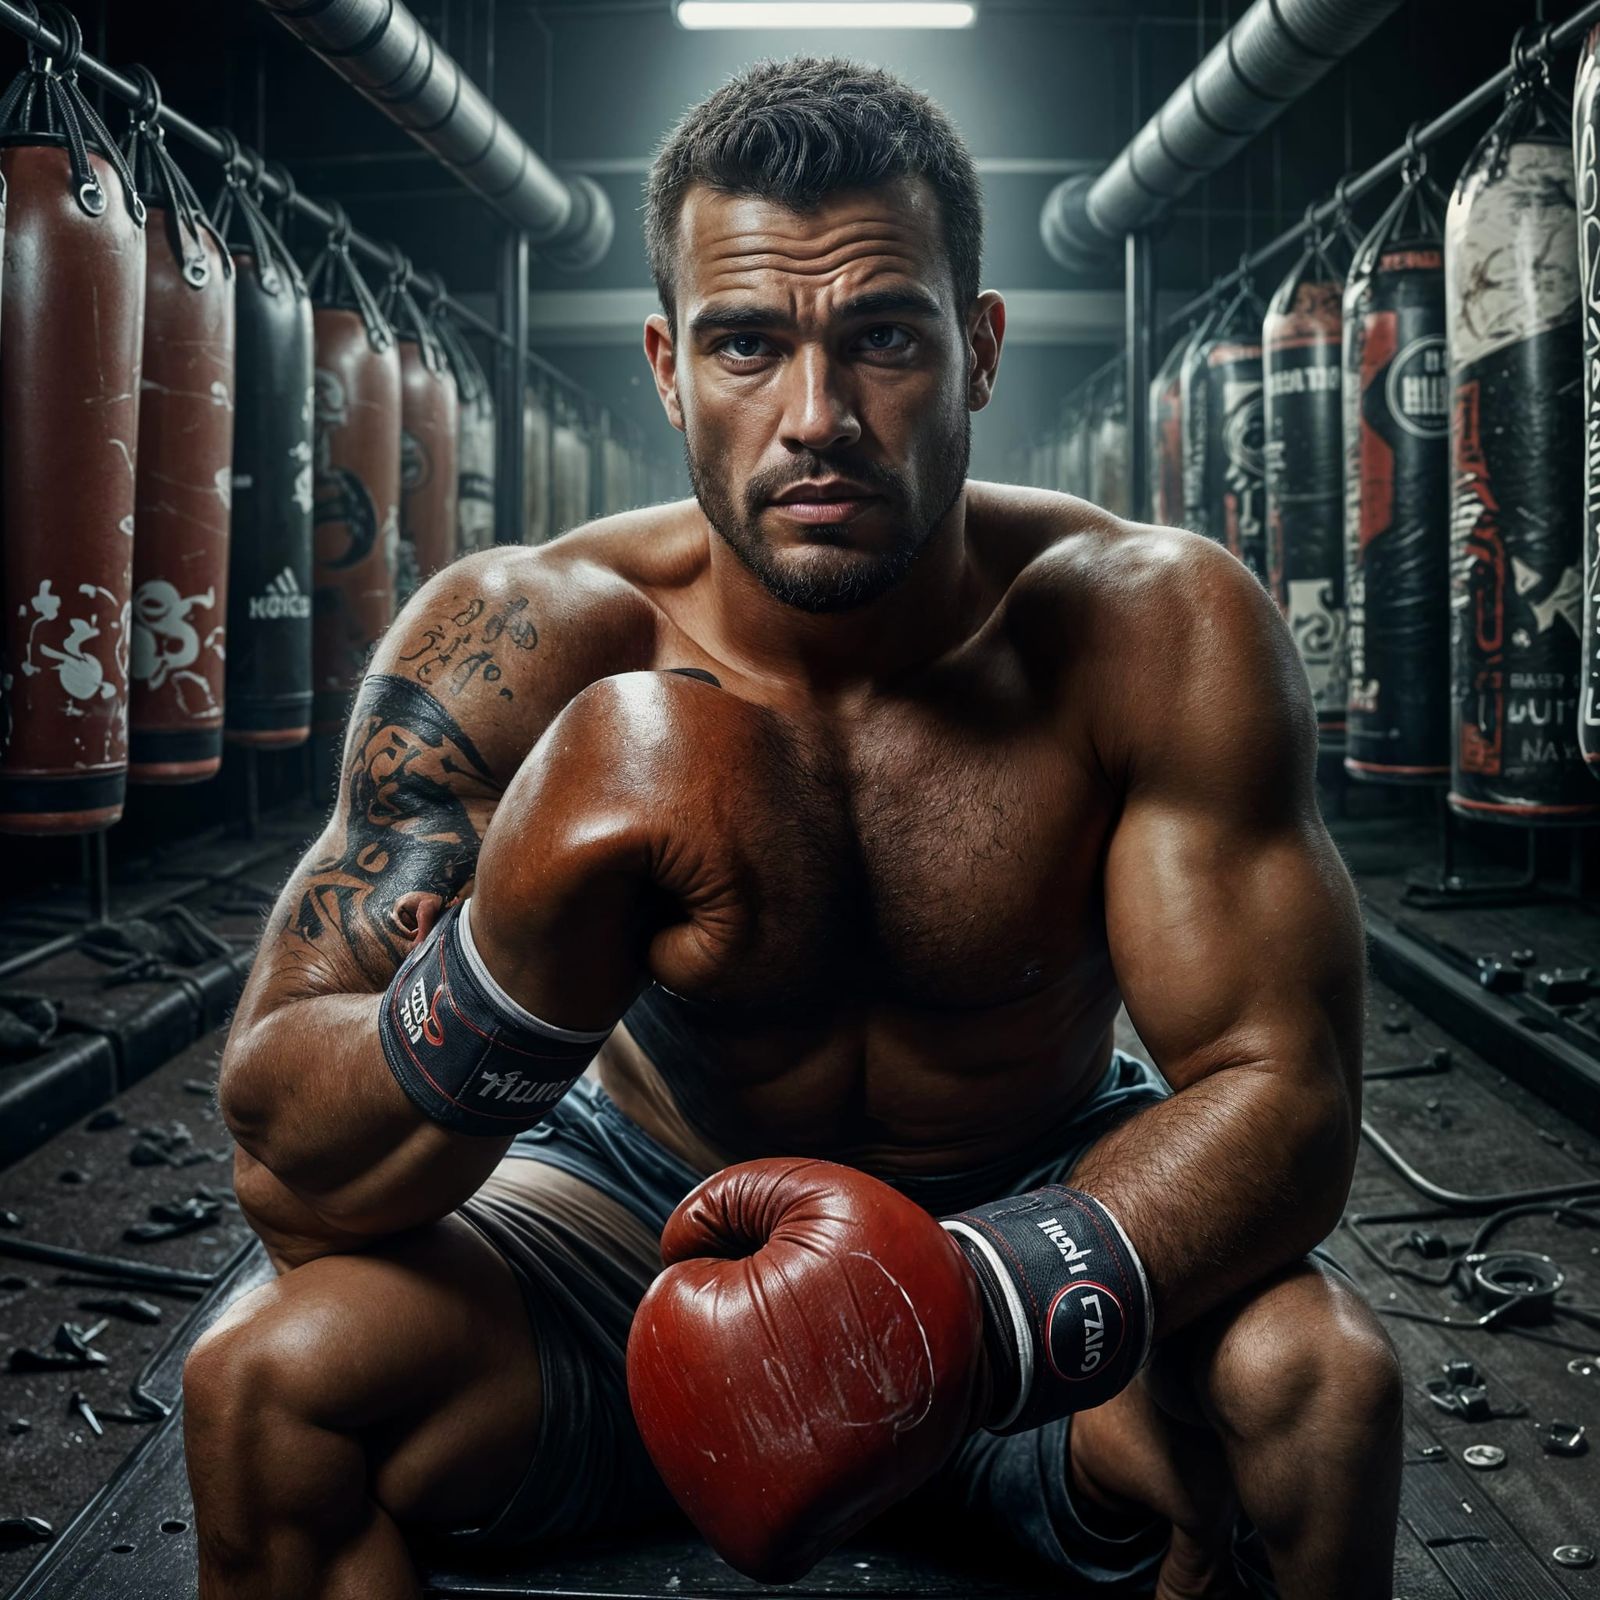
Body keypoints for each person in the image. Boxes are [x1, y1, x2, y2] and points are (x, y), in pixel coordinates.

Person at [183, 56, 1401, 1600]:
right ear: (668, 365)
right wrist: (510, 960)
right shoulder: (528, 642)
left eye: (882, 336)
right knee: (268, 1384)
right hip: (640, 1229)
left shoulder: (1146, 629)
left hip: (1029, 1233)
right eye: (747, 343)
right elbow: (291, 1167)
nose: (816, 417)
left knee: (1315, 1393)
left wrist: (965, 1309)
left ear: (977, 349)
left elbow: (1287, 1095)